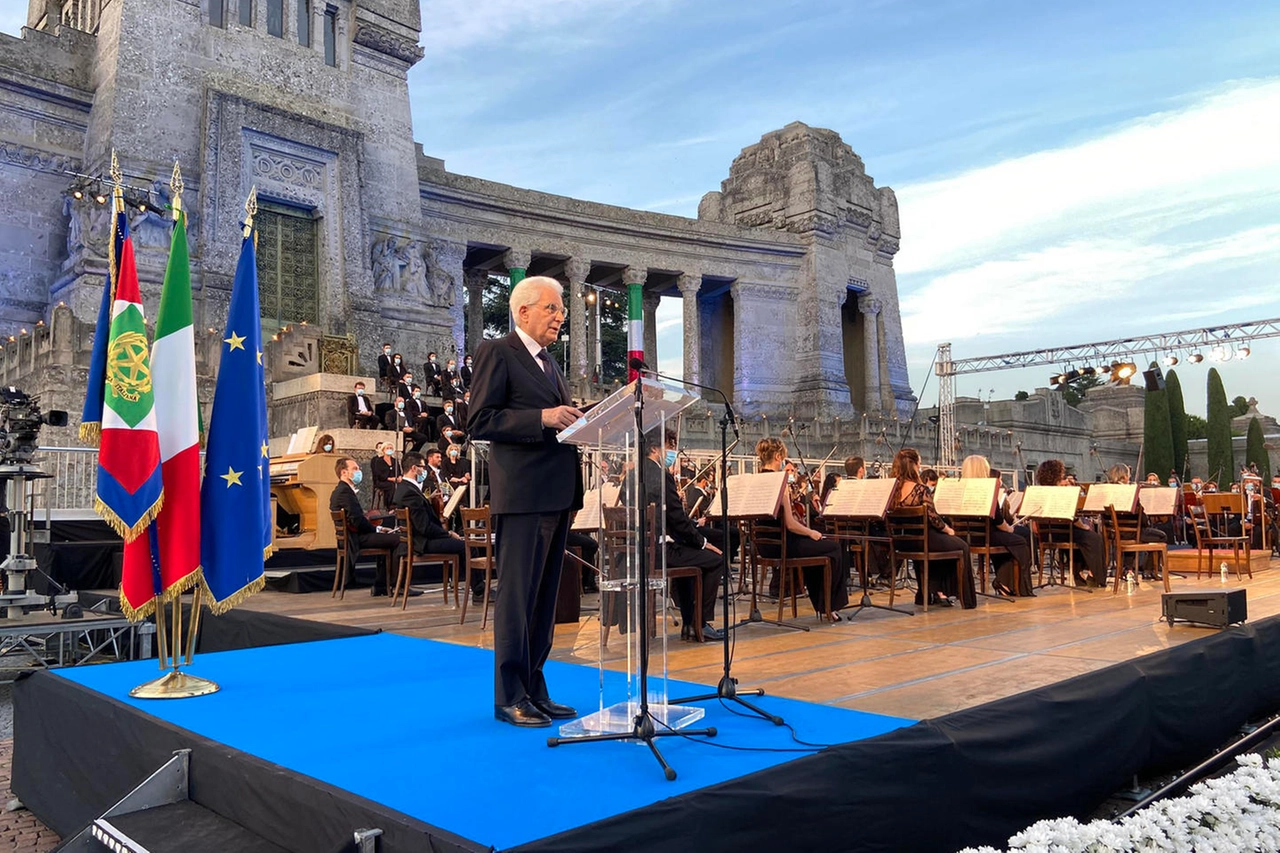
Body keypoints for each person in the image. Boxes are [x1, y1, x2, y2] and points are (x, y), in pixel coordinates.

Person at [468, 275, 584, 728]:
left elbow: (556, 421)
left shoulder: (549, 363)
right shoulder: (498, 352)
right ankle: (508, 695)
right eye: (553, 309)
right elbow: (480, 419)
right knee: (517, 597)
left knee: (543, 598)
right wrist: (544, 417)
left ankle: (535, 686)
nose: (560, 317)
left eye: (561, 311)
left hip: (556, 493)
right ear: (523, 311)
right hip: (522, 495)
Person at [639, 429, 725, 642]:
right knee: (714, 559)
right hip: (658, 552)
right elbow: (677, 521)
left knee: (691, 560)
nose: (672, 452)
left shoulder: (634, 473)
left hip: (639, 551)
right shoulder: (662, 476)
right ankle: (700, 623)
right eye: (668, 446)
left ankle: (689, 623)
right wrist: (703, 542)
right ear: (654, 448)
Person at [755, 437, 849, 620]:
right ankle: (829, 607)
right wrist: (811, 532)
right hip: (785, 545)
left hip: (764, 545)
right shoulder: (779, 483)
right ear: (777, 456)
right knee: (833, 548)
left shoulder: (756, 481)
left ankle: (823, 605)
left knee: (816, 551)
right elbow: (790, 524)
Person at [890, 448, 977, 608]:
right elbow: (933, 518)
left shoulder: (892, 490)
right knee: (961, 546)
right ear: (914, 466)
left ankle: (930, 593)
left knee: (943, 543)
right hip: (924, 541)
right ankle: (966, 599)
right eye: (919, 464)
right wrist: (947, 529)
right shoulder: (920, 489)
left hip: (902, 542)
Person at [329, 456, 408, 597]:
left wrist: (378, 529)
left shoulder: (342, 490)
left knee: (388, 537)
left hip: (353, 536)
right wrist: (377, 529)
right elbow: (357, 521)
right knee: (399, 539)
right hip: (354, 538)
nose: (359, 471)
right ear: (343, 472)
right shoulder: (344, 492)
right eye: (355, 469)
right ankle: (398, 586)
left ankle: (381, 585)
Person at [393, 451, 469, 597]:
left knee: (461, 543)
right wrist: (447, 533)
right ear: (414, 468)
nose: (425, 471)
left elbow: (419, 513)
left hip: (416, 539)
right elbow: (424, 527)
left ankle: (465, 584)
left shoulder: (405, 488)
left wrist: (428, 500)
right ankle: (478, 590)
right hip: (421, 542)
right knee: (466, 546)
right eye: (422, 467)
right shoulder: (410, 492)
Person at [960, 455, 1032, 597]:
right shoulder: (987, 490)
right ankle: (1015, 585)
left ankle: (1004, 582)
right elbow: (998, 521)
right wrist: (1009, 529)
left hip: (964, 536)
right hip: (986, 537)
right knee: (1020, 538)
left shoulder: (958, 489)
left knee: (1013, 538)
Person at [1035, 459, 1107, 588]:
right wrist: (1083, 526)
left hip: (1047, 533)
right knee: (1094, 538)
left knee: (1081, 539)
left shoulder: (1039, 492)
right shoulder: (1061, 493)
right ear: (1056, 477)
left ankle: (1079, 574)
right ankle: (1096, 577)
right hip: (1063, 532)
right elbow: (1071, 517)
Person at [369, 441, 400, 510]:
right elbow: (378, 474)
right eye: (387, 448)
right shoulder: (379, 461)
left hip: (394, 480)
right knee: (391, 485)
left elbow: (399, 471)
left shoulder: (395, 461)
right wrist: (390, 479)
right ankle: (390, 505)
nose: (389, 449)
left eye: (391, 448)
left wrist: (399, 477)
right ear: (383, 450)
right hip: (382, 481)